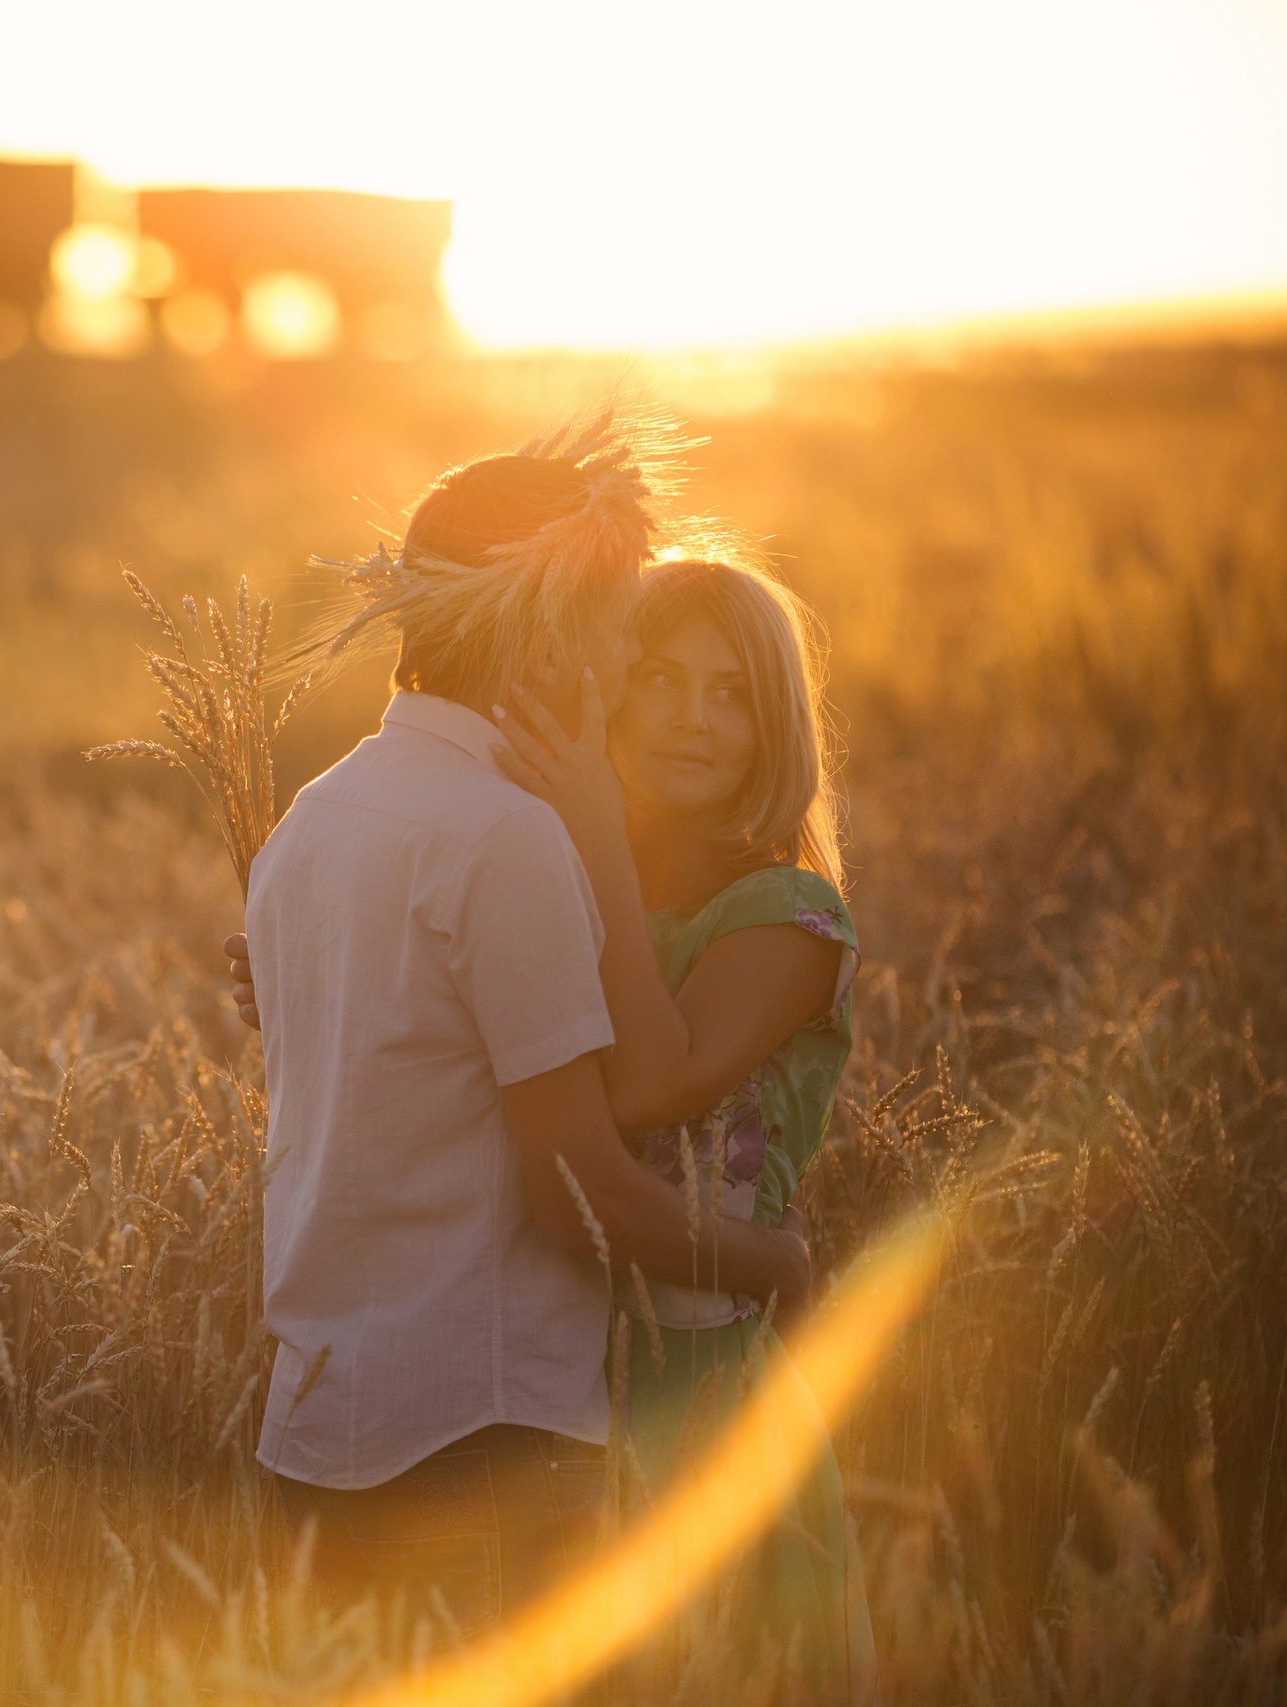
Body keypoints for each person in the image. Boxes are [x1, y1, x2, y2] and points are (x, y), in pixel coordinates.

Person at [235, 413, 812, 1636]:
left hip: (313, 1427)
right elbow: (577, 1196)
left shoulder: (315, 819)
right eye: (615, 632)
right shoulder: (506, 841)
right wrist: (780, 1265)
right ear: (552, 632)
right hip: (480, 1434)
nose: (616, 667)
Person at [486, 557, 877, 1701]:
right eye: (657, 679)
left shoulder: (788, 917)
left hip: (707, 1376)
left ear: (774, 724)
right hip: (553, 1358)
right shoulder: (568, 876)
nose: (691, 720)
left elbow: (649, 1084)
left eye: (729, 692)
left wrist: (597, 833)